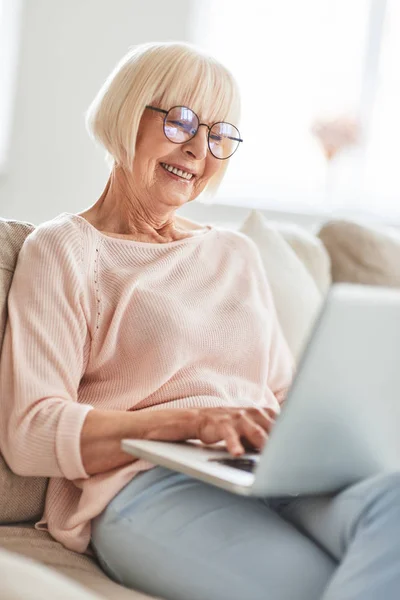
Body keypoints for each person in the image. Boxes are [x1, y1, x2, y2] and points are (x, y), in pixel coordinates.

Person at [0, 41, 400, 600]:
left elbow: (282, 393)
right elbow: (31, 433)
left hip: (265, 471)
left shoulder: (234, 254)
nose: (196, 148)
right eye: (180, 120)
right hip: (144, 486)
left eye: (217, 134)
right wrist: (187, 422)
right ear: (125, 114)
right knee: (314, 587)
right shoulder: (65, 249)